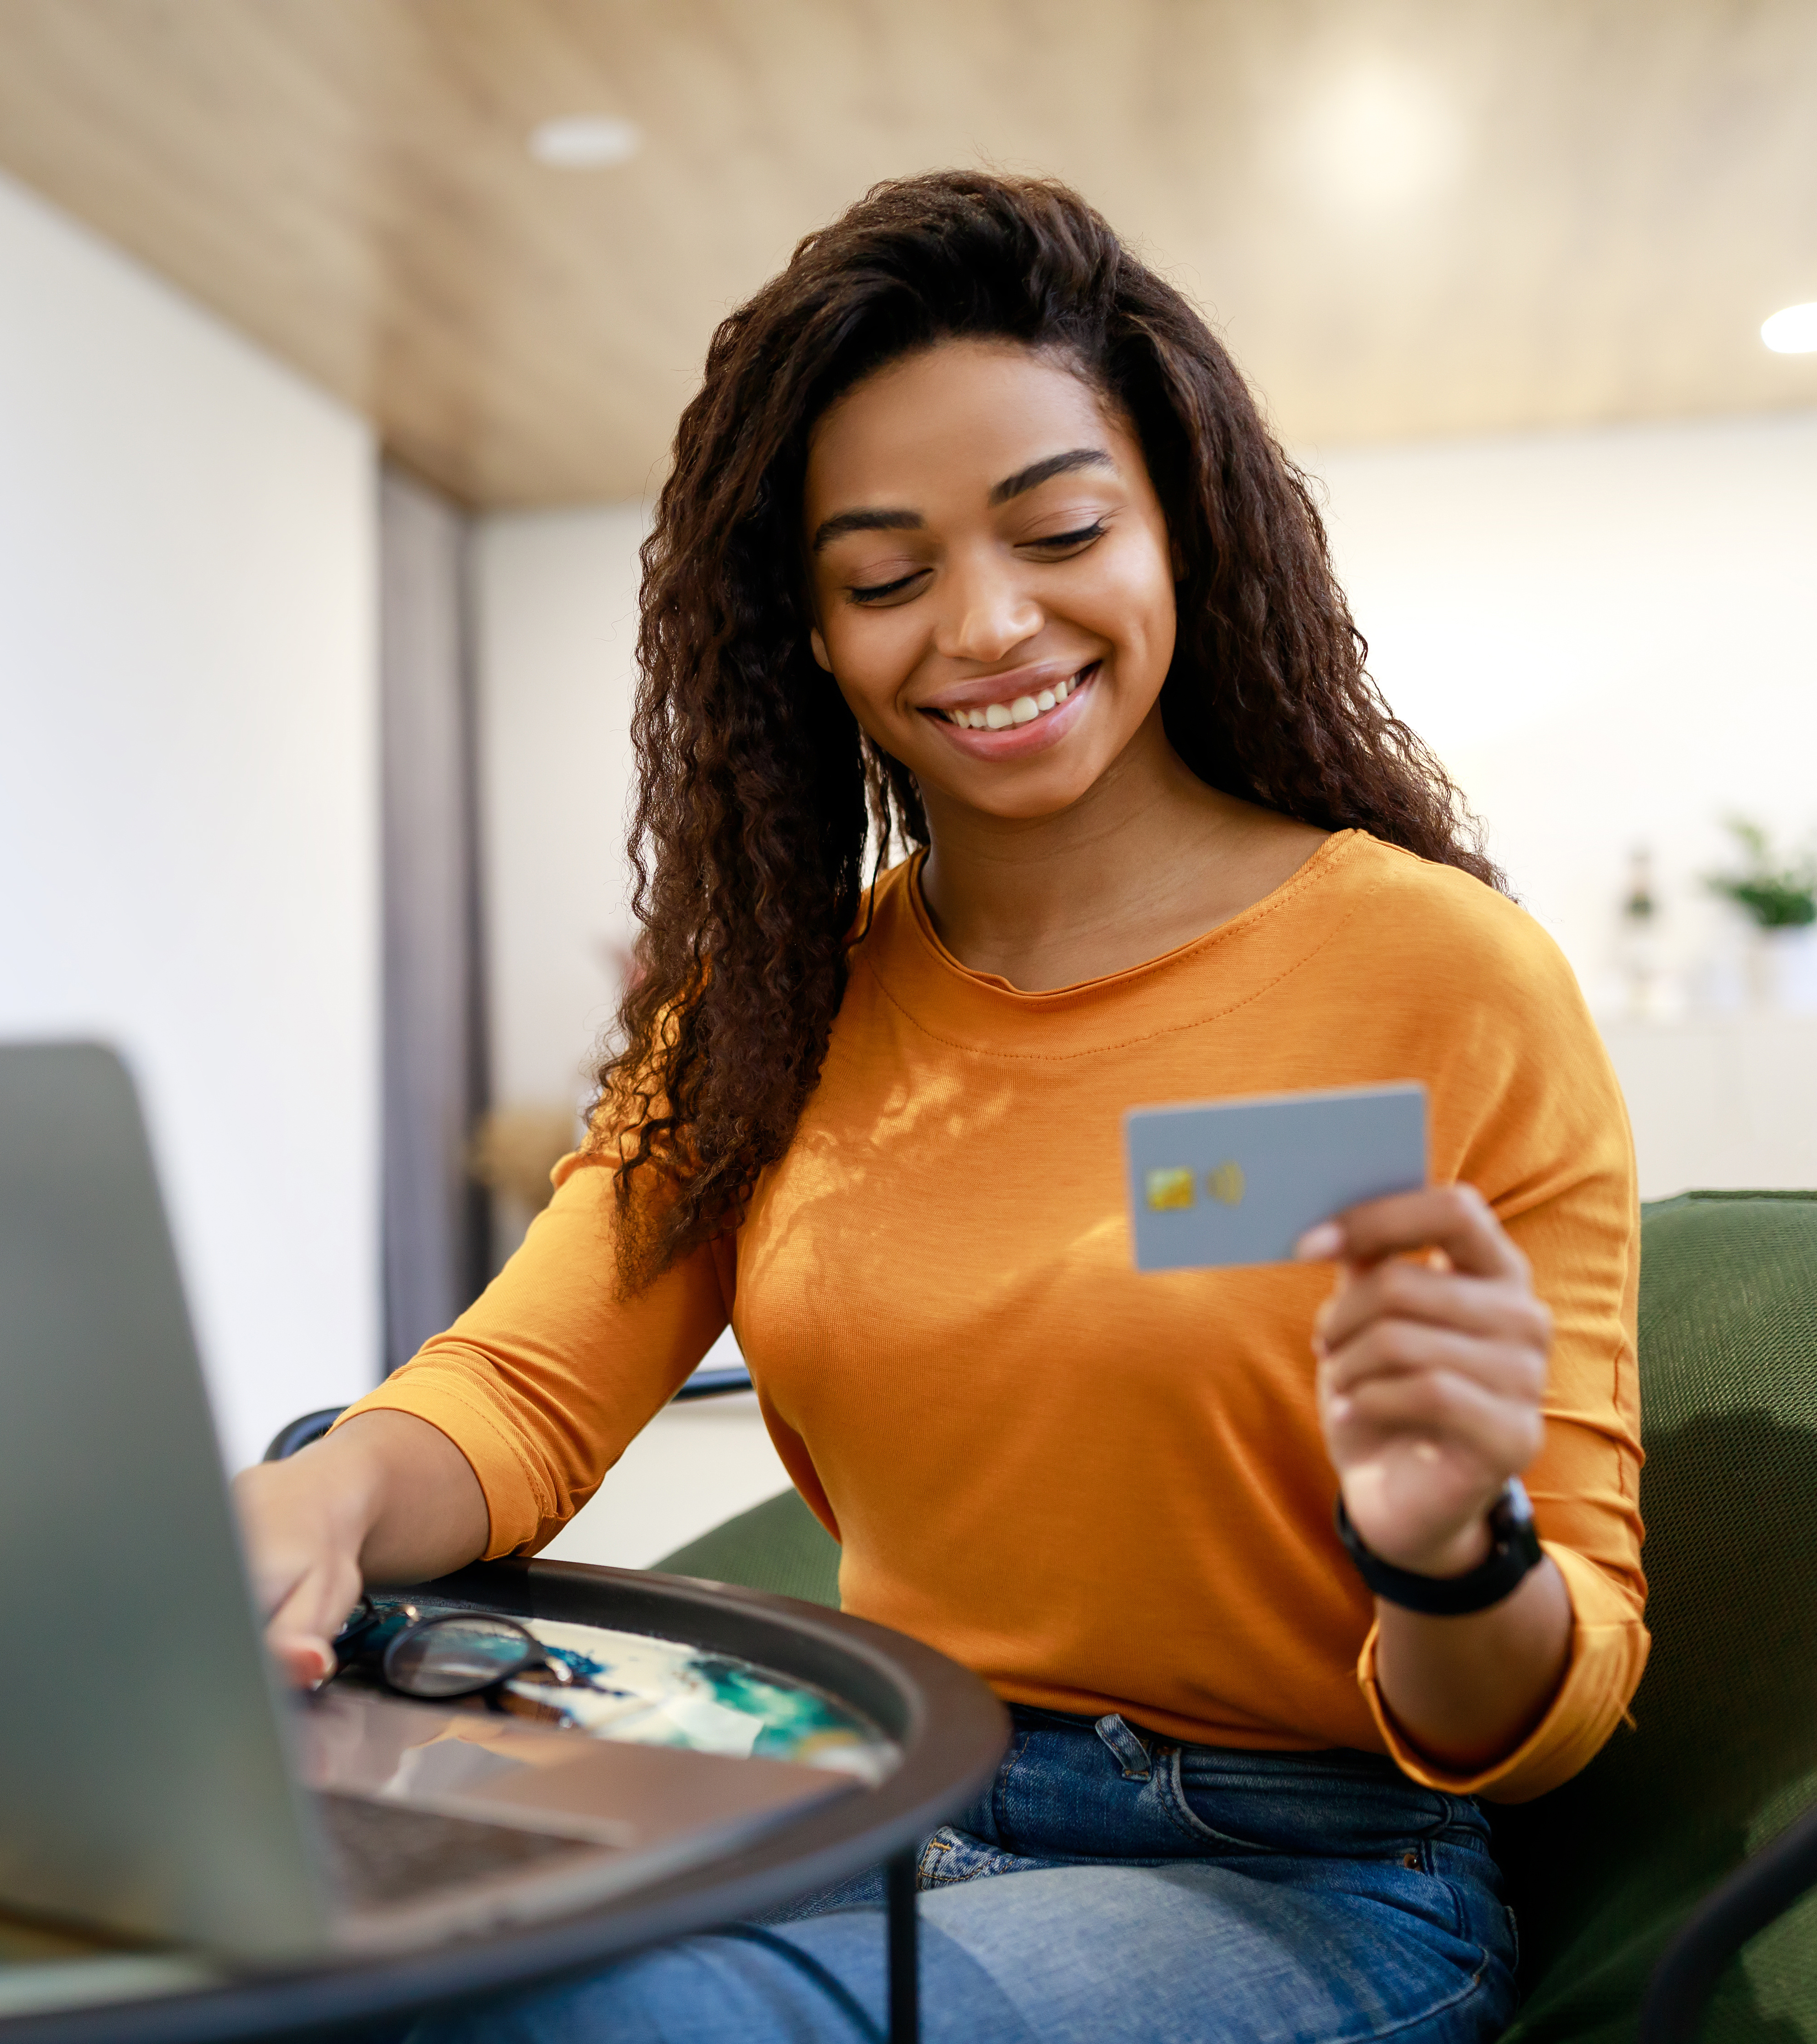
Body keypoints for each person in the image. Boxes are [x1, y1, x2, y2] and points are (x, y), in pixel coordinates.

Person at [232, 172, 1646, 2042]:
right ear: (807, 633)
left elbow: (1545, 1713)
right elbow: (521, 1389)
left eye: (1059, 529)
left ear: (1182, 531)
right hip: (879, 1783)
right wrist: (315, 1491)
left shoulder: (1442, 980)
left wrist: (1443, 1548)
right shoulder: (775, 1007)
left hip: (1295, 1868)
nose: (984, 626)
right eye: (886, 575)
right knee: (333, 1968)